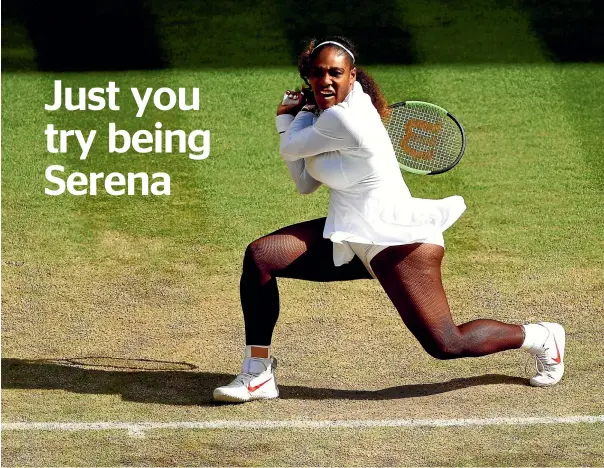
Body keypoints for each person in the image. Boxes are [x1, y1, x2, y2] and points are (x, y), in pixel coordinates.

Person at [212, 37, 565, 403]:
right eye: (318, 73)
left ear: (353, 77)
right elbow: (304, 183)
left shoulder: (345, 118)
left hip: (397, 240)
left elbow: (289, 147)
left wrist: (289, 115)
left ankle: (541, 336)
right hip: (348, 235)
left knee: (446, 343)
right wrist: (301, 114)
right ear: (308, 76)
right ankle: (258, 373)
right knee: (261, 256)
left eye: (336, 72)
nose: (326, 80)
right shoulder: (326, 115)